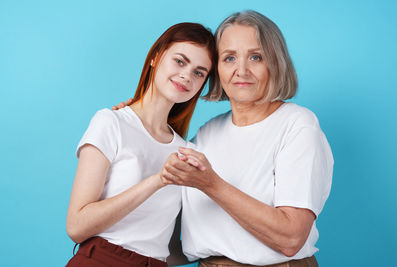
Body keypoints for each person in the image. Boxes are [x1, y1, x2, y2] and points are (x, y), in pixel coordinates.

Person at [115, 10, 333, 267]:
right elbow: (165, 236)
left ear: (275, 63)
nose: (242, 70)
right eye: (229, 58)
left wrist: (211, 184)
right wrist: (133, 125)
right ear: (215, 70)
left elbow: (291, 238)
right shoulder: (206, 134)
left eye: (256, 57)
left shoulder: (297, 125)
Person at [65, 22, 216, 267]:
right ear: (156, 57)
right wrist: (158, 180)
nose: (187, 75)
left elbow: (172, 245)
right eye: (180, 61)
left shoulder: (187, 152)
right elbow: (76, 226)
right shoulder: (111, 122)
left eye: (199, 72)